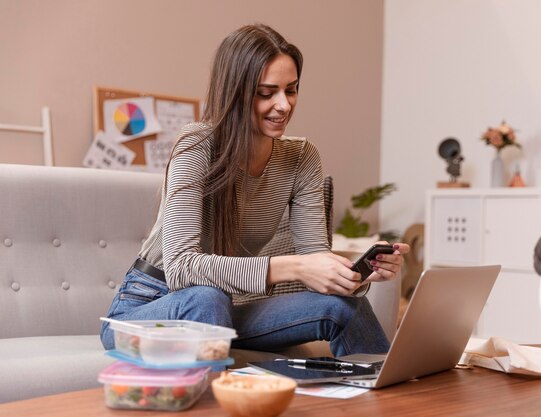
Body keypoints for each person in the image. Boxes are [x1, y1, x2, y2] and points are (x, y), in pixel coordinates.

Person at [100, 23, 410, 357]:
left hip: (220, 311)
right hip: (149, 307)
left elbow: (314, 262)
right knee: (207, 297)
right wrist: (295, 267)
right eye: (266, 93)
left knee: (341, 309)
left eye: (291, 90)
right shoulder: (196, 145)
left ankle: (392, 402)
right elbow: (182, 268)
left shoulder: (302, 157)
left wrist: (357, 276)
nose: (284, 105)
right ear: (235, 92)